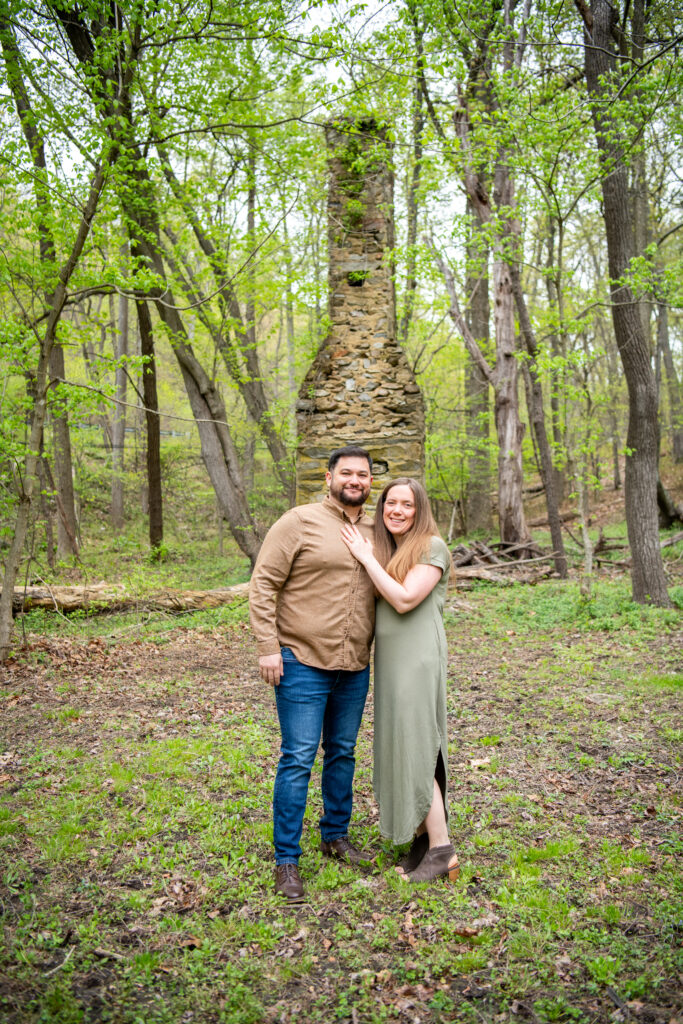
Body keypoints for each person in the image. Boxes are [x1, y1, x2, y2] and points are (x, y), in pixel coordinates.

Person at [249, 446, 376, 902]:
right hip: (301, 660)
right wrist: (268, 647)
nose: (355, 479)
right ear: (329, 477)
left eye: (363, 474)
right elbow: (264, 582)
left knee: (342, 752)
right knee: (298, 757)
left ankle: (334, 835)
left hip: (355, 662)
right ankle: (287, 860)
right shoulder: (297, 521)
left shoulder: (379, 528)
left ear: (370, 482)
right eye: (347, 472)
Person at [340, 477, 459, 883]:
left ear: (419, 509)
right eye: (390, 502)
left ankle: (442, 849)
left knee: (417, 744)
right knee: (401, 741)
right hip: (391, 661)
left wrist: (365, 555)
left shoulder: (431, 547)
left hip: (417, 658)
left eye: (406, 504)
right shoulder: (393, 548)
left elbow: (406, 599)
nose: (397, 510)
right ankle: (424, 842)